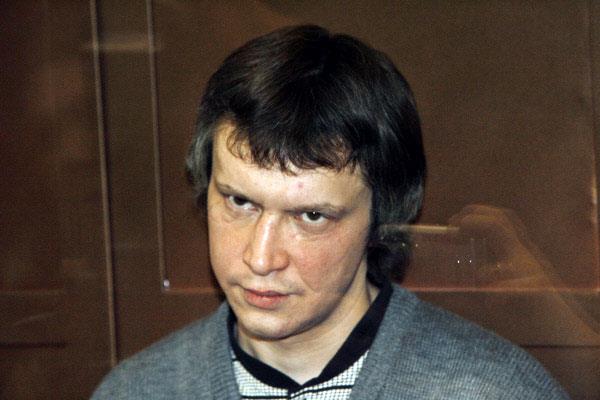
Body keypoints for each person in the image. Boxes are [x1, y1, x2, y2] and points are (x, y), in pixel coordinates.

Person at [91, 25, 569, 399]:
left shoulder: (494, 391)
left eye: (311, 217)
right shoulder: (135, 391)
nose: (260, 258)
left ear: (380, 219)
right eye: (240, 201)